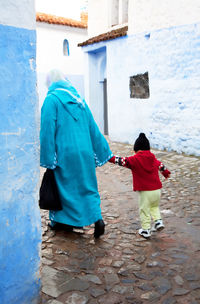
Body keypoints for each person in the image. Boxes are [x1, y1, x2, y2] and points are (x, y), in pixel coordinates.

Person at [40, 69, 113, 238]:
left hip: (65, 153)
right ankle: (97, 219)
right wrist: (102, 150)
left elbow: (47, 131)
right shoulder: (80, 101)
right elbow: (93, 128)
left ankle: (62, 222)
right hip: (85, 152)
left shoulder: (51, 100)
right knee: (87, 186)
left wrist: (48, 157)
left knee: (65, 188)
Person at [109, 133, 171, 239]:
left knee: (144, 209)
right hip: (157, 190)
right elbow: (161, 166)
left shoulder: (135, 159)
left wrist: (109, 158)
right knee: (154, 206)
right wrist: (166, 173)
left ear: (137, 150)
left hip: (145, 191)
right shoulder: (153, 158)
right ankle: (158, 221)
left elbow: (121, 161)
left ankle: (146, 230)